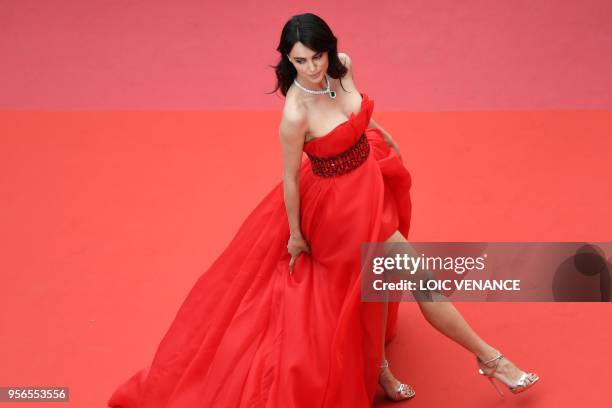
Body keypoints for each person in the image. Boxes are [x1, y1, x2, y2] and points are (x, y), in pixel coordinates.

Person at [107, 12, 538, 408]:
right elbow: (292, 178)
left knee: (373, 284)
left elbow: (357, 114)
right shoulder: (294, 112)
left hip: (369, 184)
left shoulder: (344, 66)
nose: (312, 67)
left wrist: (381, 134)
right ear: (287, 61)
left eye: (317, 56)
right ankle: (492, 360)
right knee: (414, 278)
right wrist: (296, 234)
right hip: (335, 211)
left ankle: (380, 370)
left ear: (329, 49)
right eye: (300, 60)